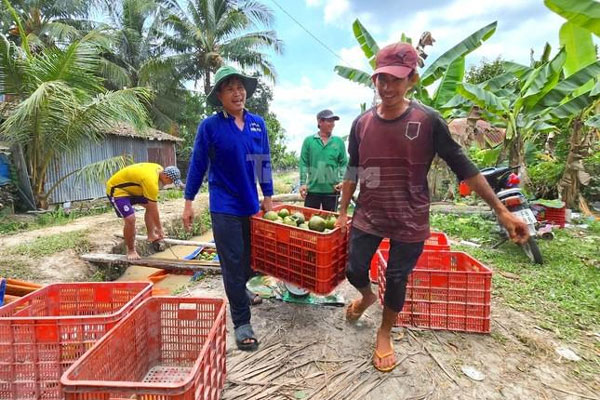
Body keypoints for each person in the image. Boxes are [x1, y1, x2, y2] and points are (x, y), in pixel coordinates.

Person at [335, 42, 530, 372]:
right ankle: (367, 296)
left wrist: (501, 210)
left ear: (412, 79)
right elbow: (353, 169)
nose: (388, 87)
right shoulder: (361, 123)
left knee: (396, 278)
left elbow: (464, 166)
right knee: (354, 269)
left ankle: (385, 332)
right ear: (375, 80)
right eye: (382, 78)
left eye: (396, 79)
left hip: (410, 219)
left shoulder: (428, 120)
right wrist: (342, 212)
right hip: (368, 213)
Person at [182, 65, 273, 352]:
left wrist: (268, 198)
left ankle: (242, 289)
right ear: (219, 95)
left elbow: (264, 162)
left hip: (250, 203)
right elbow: (197, 165)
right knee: (232, 263)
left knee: (250, 261)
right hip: (223, 205)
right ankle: (242, 322)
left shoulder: (257, 123)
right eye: (230, 87)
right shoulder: (210, 127)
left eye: (240, 86)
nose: (238, 92)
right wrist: (188, 201)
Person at [106, 163, 183, 260]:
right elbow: (154, 209)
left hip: (133, 189)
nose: (169, 184)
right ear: (166, 177)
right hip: (117, 190)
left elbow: (152, 207)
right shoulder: (151, 182)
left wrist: (158, 229)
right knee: (130, 219)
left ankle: (151, 235)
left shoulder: (159, 169)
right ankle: (131, 250)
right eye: (171, 181)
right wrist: (160, 228)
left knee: (149, 206)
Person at [299, 109, 348, 211]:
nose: (333, 124)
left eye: (333, 121)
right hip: (312, 191)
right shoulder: (309, 141)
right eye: (329, 121)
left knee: (330, 223)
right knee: (309, 222)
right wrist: (303, 183)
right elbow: (303, 163)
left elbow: (344, 163)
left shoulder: (339, 142)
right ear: (320, 122)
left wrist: (342, 180)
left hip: (332, 191)